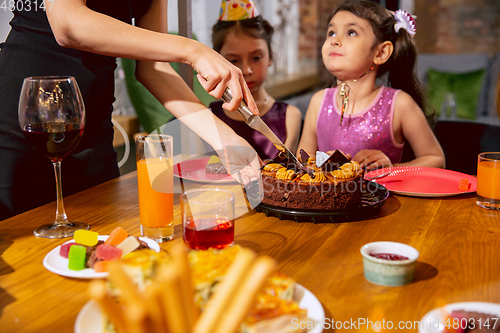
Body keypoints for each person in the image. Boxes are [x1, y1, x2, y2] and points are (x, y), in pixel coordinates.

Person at [0, 0, 262, 220]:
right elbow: (68, 24)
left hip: (92, 126)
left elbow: (153, 68)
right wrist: (193, 50)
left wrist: (226, 140)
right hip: (30, 119)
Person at [297, 0, 445, 171]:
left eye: (351, 33)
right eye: (331, 32)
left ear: (381, 53)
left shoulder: (399, 104)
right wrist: (320, 164)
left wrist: (391, 168)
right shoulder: (318, 102)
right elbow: (301, 164)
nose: (334, 40)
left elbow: (436, 159)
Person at [209, 0, 302, 161]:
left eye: (256, 57)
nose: (246, 70)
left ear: (270, 56)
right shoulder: (209, 117)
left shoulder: (289, 117)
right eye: (234, 61)